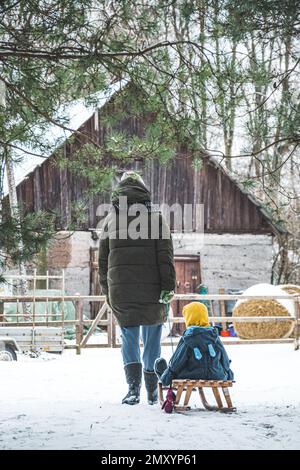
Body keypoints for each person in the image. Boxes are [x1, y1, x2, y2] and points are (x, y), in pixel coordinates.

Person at [99, 171, 176, 405]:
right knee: (152, 339)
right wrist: (168, 286)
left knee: (129, 338)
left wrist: (108, 290)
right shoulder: (156, 217)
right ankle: (153, 391)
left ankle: (133, 390)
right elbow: (165, 256)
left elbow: (102, 261)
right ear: (144, 190)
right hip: (153, 290)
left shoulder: (110, 219)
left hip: (122, 290)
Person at [155, 301, 234, 386]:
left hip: (191, 375)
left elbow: (177, 362)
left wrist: (169, 374)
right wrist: (228, 373)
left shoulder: (188, 338)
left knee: (160, 364)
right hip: (216, 375)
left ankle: (164, 377)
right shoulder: (214, 336)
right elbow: (224, 359)